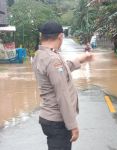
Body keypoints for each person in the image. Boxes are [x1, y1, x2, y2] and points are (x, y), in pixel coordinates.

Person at [32, 21, 93, 150]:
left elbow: (61, 71)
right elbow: (62, 95)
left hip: (48, 117)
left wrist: (80, 59)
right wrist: (72, 125)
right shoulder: (53, 59)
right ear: (60, 36)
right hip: (58, 122)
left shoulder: (40, 54)